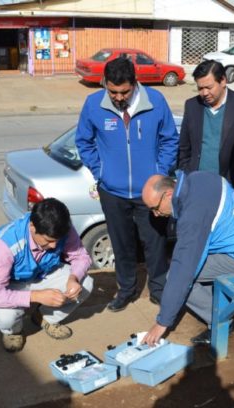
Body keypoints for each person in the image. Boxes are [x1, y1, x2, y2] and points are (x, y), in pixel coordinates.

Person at [76, 57, 179, 312]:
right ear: (104, 84)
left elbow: (169, 140)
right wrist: (100, 173)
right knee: (121, 245)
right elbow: (84, 142)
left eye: (124, 91)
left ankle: (158, 290)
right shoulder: (93, 105)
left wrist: (159, 174)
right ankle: (126, 290)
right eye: (113, 91)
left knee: (154, 244)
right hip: (112, 192)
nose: (119, 97)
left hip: (150, 194)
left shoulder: (155, 101)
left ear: (135, 83)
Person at [140, 171, 234, 347]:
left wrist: (162, 322)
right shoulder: (199, 177)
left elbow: (182, 272)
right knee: (186, 266)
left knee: (177, 277)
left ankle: (221, 319)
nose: (156, 214)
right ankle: (221, 306)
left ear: (169, 194)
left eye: (155, 208)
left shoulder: (192, 216)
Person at [0, 198, 93, 352]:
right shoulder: (5, 243)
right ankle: (13, 331)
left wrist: (73, 278)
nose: (54, 246)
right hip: (12, 283)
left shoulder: (63, 229)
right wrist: (36, 296)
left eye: (57, 240)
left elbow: (81, 257)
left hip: (43, 273)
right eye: (48, 240)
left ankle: (44, 317)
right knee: (4, 318)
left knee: (85, 284)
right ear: (32, 227)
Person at [178, 60, 234, 206]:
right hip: (197, 188)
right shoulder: (192, 106)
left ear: (223, 81)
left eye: (209, 87)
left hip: (233, 190)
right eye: (200, 88)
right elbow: (184, 147)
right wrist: (187, 174)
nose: (204, 93)